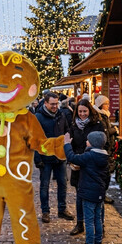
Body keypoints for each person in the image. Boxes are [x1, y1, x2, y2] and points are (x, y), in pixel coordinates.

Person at [64, 131, 109, 244]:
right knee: (98, 219)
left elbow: (72, 157)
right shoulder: (104, 157)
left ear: (93, 143)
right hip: (99, 193)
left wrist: (67, 144)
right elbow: (107, 177)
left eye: (88, 140)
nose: (86, 142)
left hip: (88, 193)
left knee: (89, 220)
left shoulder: (89, 156)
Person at [34, 92, 74, 223]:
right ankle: (45, 211)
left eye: (56, 103)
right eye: (52, 104)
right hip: (45, 157)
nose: (55, 106)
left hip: (60, 156)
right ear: (45, 103)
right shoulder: (38, 117)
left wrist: (68, 148)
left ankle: (62, 209)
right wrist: (37, 158)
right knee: (44, 185)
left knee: (63, 183)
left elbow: (67, 130)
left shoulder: (61, 114)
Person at [68, 99, 105, 236]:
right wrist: (71, 161)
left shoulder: (97, 124)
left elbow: (102, 143)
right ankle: (80, 223)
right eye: (80, 112)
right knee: (79, 196)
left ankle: (100, 225)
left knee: (97, 197)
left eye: (85, 111)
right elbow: (71, 143)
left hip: (93, 165)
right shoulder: (74, 125)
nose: (82, 114)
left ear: (90, 110)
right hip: (78, 164)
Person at [93, 95, 118, 204]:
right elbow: (105, 133)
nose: (109, 105)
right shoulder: (100, 117)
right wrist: (114, 129)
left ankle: (101, 193)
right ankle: (101, 194)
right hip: (104, 149)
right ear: (101, 105)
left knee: (105, 173)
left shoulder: (104, 116)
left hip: (106, 148)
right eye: (106, 103)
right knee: (105, 174)